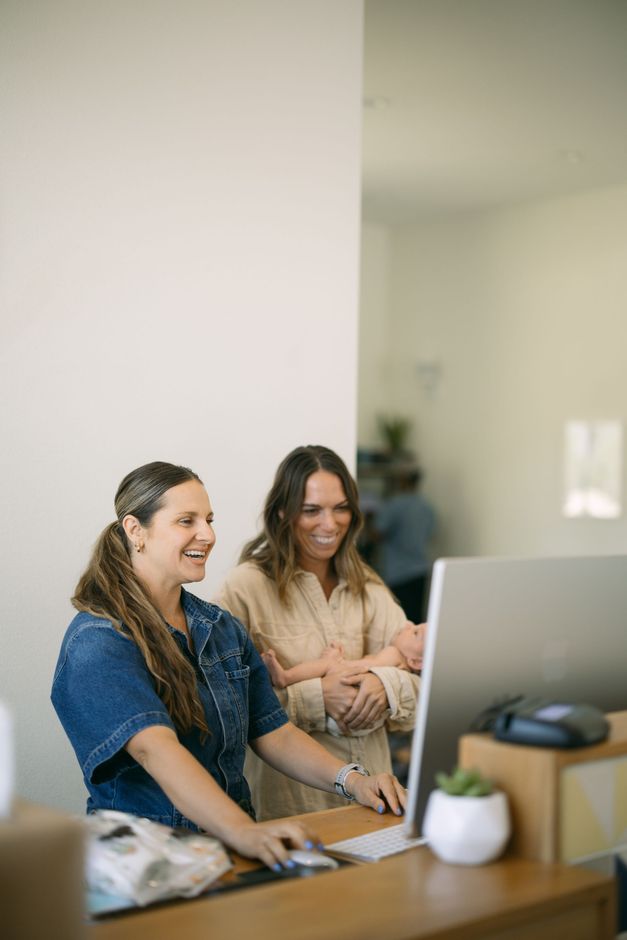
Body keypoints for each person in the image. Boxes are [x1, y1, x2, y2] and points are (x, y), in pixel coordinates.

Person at [50, 462, 406, 872]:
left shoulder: (220, 627)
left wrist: (355, 781)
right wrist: (242, 830)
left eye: (209, 520)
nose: (208, 534)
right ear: (135, 530)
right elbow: (156, 749)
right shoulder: (99, 639)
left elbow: (274, 731)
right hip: (147, 865)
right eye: (187, 520)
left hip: (232, 852)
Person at [214, 445, 419, 820]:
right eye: (312, 510)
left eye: (341, 508)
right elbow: (221, 710)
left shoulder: (369, 586)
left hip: (375, 809)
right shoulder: (245, 589)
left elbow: (426, 680)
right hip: (291, 813)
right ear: (283, 513)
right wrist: (316, 698)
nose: (330, 524)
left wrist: (383, 685)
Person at [262, 621, 425, 690]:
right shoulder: (400, 666)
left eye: (415, 632)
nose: (408, 625)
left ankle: (286, 677)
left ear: (416, 662)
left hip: (349, 682)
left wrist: (337, 661)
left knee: (326, 664)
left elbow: (365, 668)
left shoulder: (394, 653)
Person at [374, 468, 435, 623]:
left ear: (402, 481)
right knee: (416, 620)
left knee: (399, 624)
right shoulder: (426, 507)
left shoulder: (394, 505)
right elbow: (429, 534)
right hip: (420, 571)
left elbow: (377, 534)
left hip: (398, 574)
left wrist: (366, 521)